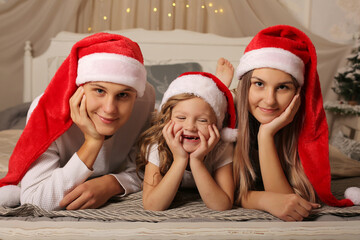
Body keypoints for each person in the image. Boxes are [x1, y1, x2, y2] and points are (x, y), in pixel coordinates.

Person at [0, 32, 155, 210]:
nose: (110, 108)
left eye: (123, 95)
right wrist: (93, 141)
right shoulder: (46, 112)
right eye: (99, 91)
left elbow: (147, 169)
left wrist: (112, 184)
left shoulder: (145, 100)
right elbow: (35, 200)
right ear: (78, 88)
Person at [217, 25, 356, 221]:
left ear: (298, 93)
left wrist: (265, 135)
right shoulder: (226, 117)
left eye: (282, 87)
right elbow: (226, 192)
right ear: (245, 85)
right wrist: (263, 200)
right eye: (259, 84)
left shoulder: (303, 124)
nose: (270, 100)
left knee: (347, 165)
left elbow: (289, 201)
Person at [136, 72, 237, 211]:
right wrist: (180, 159)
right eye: (181, 118)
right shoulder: (157, 145)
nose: (190, 127)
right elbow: (152, 206)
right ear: (167, 119)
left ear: (217, 126)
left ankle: (223, 85)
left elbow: (222, 205)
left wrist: (197, 161)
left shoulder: (221, 148)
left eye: (202, 120)